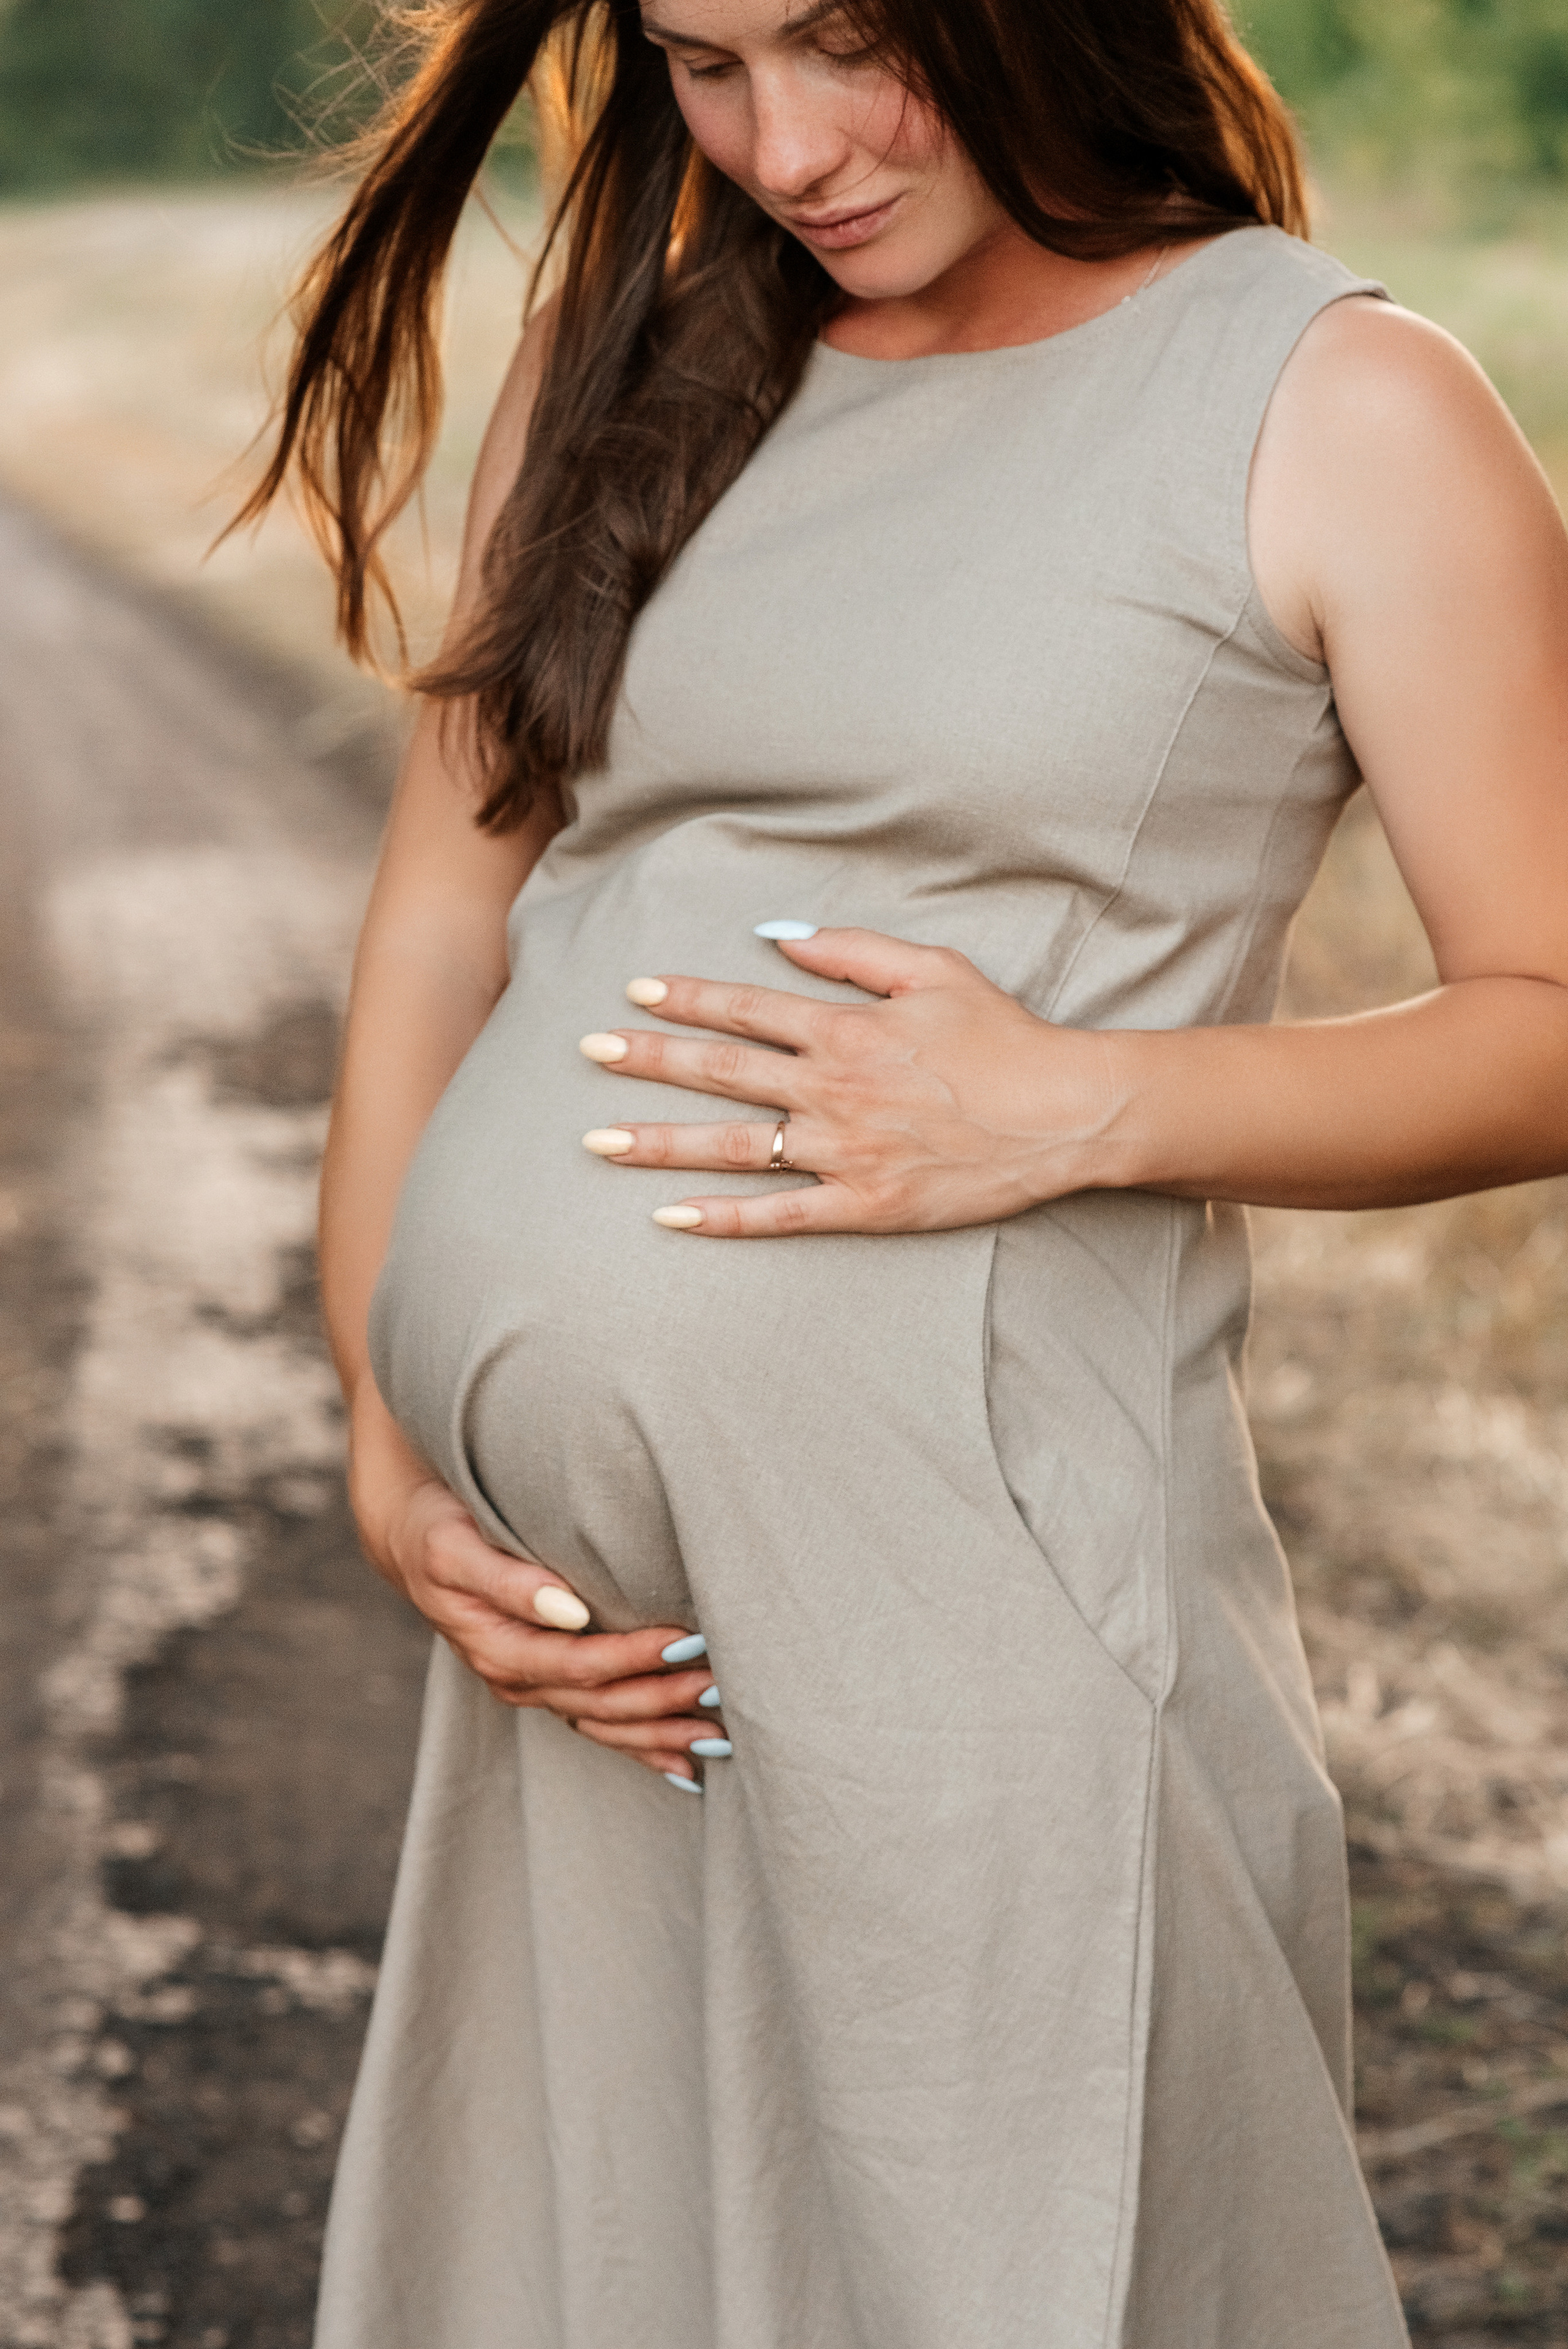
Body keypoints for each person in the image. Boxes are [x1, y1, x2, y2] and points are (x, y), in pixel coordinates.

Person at [243, 0, 1568, 2339]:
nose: (790, 142)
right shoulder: (641, 341)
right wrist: (386, 1435)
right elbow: (447, 908)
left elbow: (1546, 1025)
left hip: (984, 1641)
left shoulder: (1336, 405)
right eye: (707, 60)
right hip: (604, 1682)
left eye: (851, 43)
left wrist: (1087, 1102)